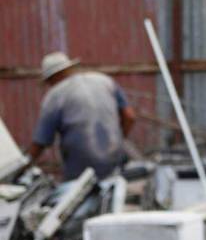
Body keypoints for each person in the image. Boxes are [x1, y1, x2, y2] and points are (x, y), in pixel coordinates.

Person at [29, 52, 135, 181]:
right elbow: (129, 116)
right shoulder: (104, 80)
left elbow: (41, 142)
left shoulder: (54, 96)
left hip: (80, 169)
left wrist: (26, 164)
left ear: (52, 77)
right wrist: (118, 140)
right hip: (114, 159)